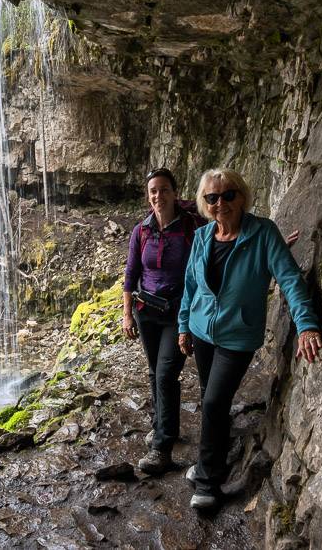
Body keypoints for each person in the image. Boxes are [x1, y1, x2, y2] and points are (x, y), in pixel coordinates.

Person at [178, 168, 322, 509]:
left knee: (213, 402)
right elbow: (189, 288)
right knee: (211, 399)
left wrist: (307, 324)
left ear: (242, 196)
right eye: (212, 197)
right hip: (202, 333)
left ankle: (208, 482)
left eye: (229, 194)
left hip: (237, 337)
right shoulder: (202, 238)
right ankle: (209, 458)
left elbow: (289, 279)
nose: (221, 203)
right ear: (204, 203)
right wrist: (184, 325)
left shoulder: (263, 234)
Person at [122, 167, 204, 474]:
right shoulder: (141, 230)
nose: (158, 195)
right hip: (147, 312)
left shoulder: (191, 227)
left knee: (166, 374)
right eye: (153, 191)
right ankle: (161, 424)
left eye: (164, 189)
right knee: (155, 370)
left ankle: (162, 448)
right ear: (148, 195)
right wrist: (127, 313)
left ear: (174, 192)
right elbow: (131, 274)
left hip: (178, 313)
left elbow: (224, 241)